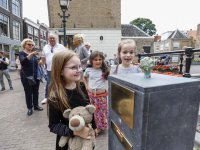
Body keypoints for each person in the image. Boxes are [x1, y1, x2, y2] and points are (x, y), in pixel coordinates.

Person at [47, 50, 97, 150]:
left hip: (85, 141)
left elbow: (88, 109)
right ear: (60, 70)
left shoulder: (81, 86)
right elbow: (53, 125)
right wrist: (75, 132)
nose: (79, 70)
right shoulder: (55, 96)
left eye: (80, 66)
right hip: (68, 143)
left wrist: (94, 126)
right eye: (74, 67)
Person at [83, 51, 109, 134]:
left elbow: (108, 80)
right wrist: (86, 86)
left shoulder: (104, 70)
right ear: (91, 61)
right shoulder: (88, 70)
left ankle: (99, 127)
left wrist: (107, 88)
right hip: (92, 96)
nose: (98, 61)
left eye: (100, 59)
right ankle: (94, 125)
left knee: (101, 111)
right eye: (95, 59)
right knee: (94, 111)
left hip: (101, 96)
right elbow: (84, 77)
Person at [19, 39, 43, 116]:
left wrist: (40, 60)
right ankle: (30, 107)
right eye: (29, 44)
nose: (31, 46)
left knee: (36, 92)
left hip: (35, 76)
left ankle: (36, 105)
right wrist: (32, 54)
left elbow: (38, 63)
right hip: (26, 76)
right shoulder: (21, 53)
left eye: (32, 45)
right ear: (24, 45)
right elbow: (23, 62)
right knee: (28, 93)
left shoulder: (34, 55)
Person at [41, 34, 65, 104]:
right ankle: (46, 97)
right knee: (49, 84)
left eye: (53, 38)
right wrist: (43, 66)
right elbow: (43, 57)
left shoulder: (61, 47)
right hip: (49, 69)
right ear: (48, 39)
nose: (52, 39)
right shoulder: (45, 47)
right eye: (50, 38)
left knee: (60, 83)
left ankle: (61, 96)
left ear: (56, 39)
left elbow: (65, 56)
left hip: (59, 69)